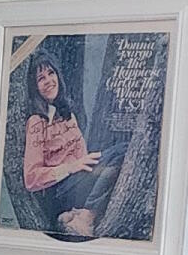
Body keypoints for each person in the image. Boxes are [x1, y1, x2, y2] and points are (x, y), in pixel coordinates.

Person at [15, 51, 122, 241]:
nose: (48, 81)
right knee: (118, 153)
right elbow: (31, 179)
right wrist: (71, 167)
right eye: (41, 78)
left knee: (121, 152)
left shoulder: (68, 115)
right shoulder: (36, 122)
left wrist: (88, 166)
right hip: (59, 191)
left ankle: (77, 213)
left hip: (77, 183)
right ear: (35, 87)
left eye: (51, 73)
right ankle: (86, 217)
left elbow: (82, 158)